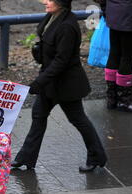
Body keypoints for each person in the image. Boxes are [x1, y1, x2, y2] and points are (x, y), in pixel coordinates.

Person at [11, 0, 107, 173]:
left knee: (78, 119)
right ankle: (26, 158)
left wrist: (38, 82)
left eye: (50, 0)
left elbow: (61, 61)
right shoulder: (53, 17)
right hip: (50, 82)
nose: (45, 2)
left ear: (61, 3)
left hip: (66, 84)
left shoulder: (67, 26)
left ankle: (97, 156)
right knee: (38, 116)